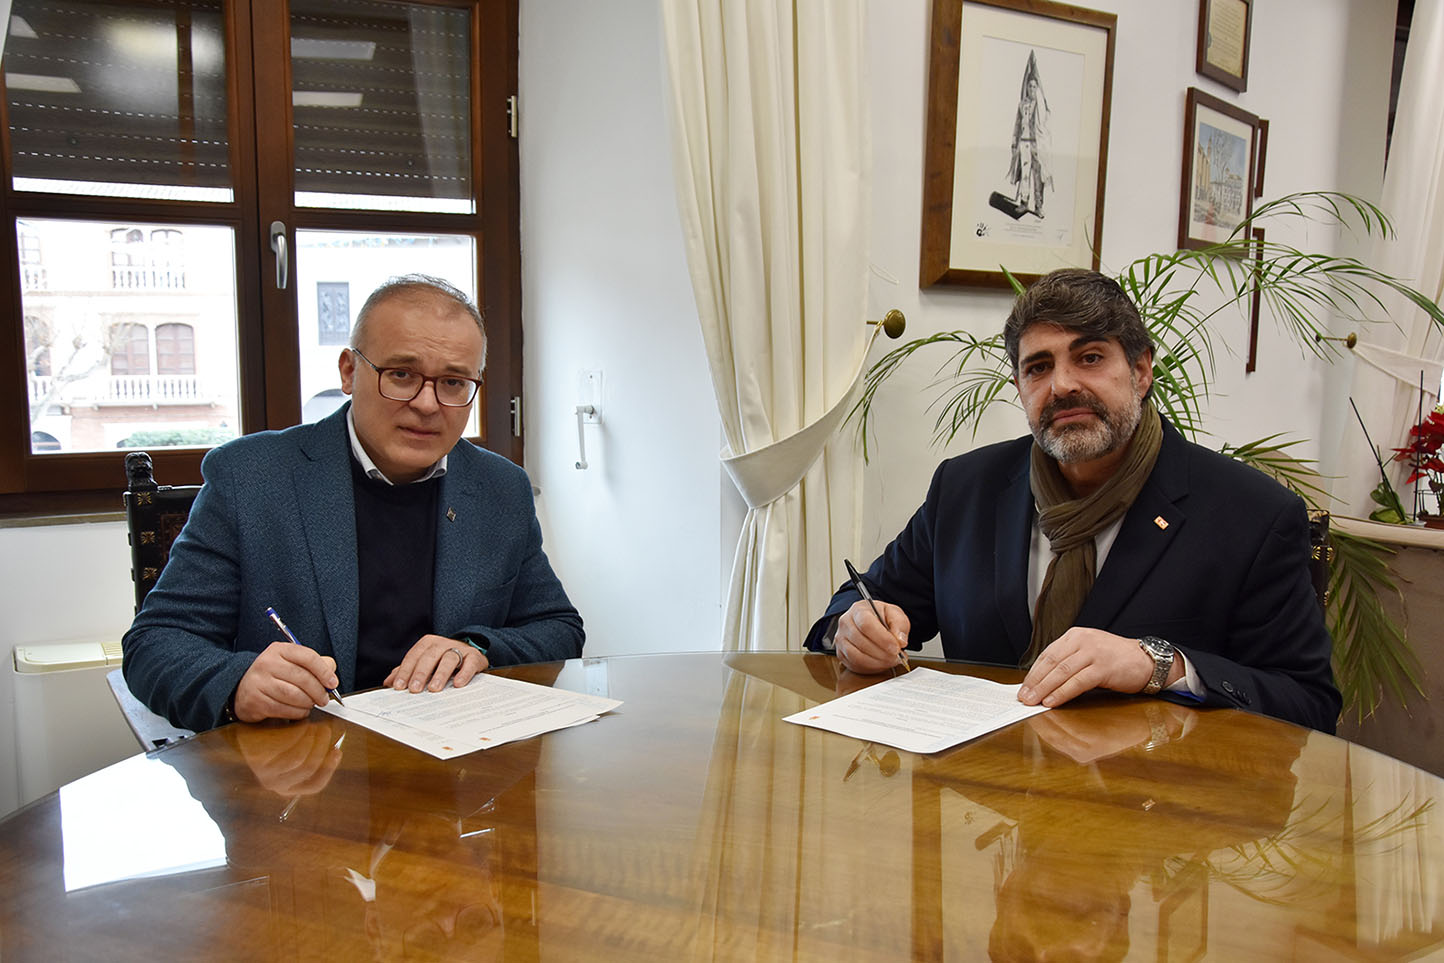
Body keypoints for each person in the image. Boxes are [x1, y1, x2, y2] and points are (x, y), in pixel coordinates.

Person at [805, 268, 1340, 733]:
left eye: (1089, 357)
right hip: (985, 796)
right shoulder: (967, 488)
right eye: (1038, 367)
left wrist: (1161, 666)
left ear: (1141, 371)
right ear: (1020, 387)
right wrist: (855, 626)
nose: (1062, 385)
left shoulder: (1251, 514)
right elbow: (862, 602)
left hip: (1153, 803)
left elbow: (1308, 703)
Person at [124, 275, 583, 732]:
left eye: (453, 382)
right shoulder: (250, 477)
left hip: (454, 755)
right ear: (348, 371)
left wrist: (478, 647)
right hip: (304, 758)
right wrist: (237, 683)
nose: (428, 404)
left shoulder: (500, 487)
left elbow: (558, 628)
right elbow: (156, 643)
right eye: (401, 375)